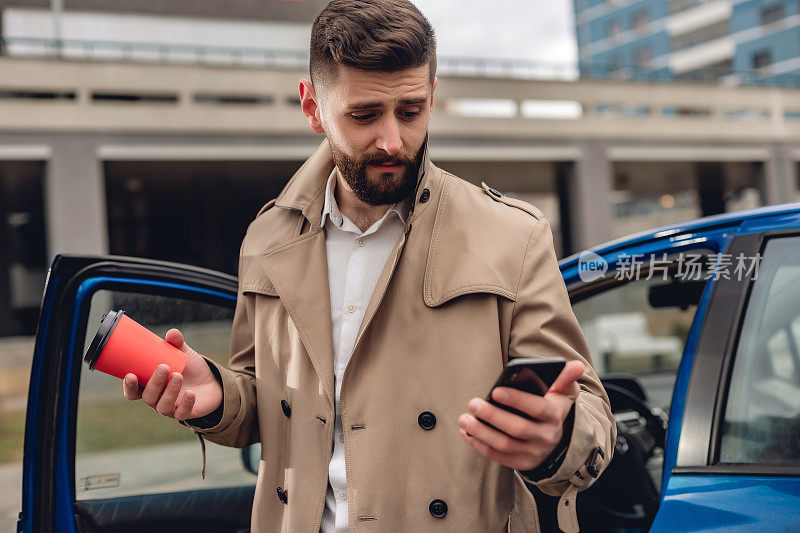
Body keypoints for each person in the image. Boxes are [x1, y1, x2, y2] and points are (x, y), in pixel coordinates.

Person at [122, 1, 616, 531]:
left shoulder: (512, 235)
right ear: (312, 108)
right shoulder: (266, 238)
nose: (392, 141)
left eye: (411, 111)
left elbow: (592, 416)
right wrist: (219, 397)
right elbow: (269, 405)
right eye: (363, 115)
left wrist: (559, 436)